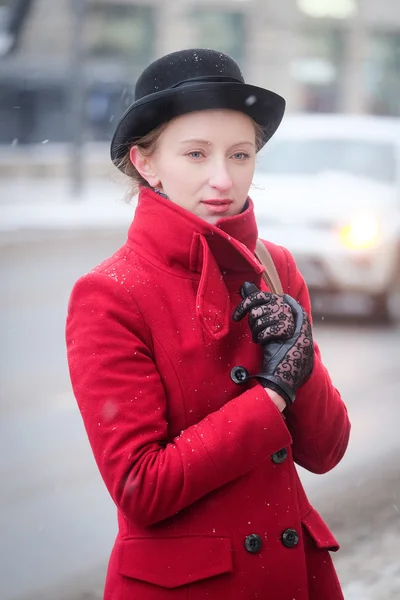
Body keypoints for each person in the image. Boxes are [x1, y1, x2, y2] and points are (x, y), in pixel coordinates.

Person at [66, 48, 351, 600]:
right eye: (196, 154)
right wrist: (270, 396)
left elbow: (327, 450)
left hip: (292, 580)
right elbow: (142, 488)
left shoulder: (275, 266)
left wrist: (301, 364)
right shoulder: (109, 295)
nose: (223, 178)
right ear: (146, 163)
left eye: (240, 155)